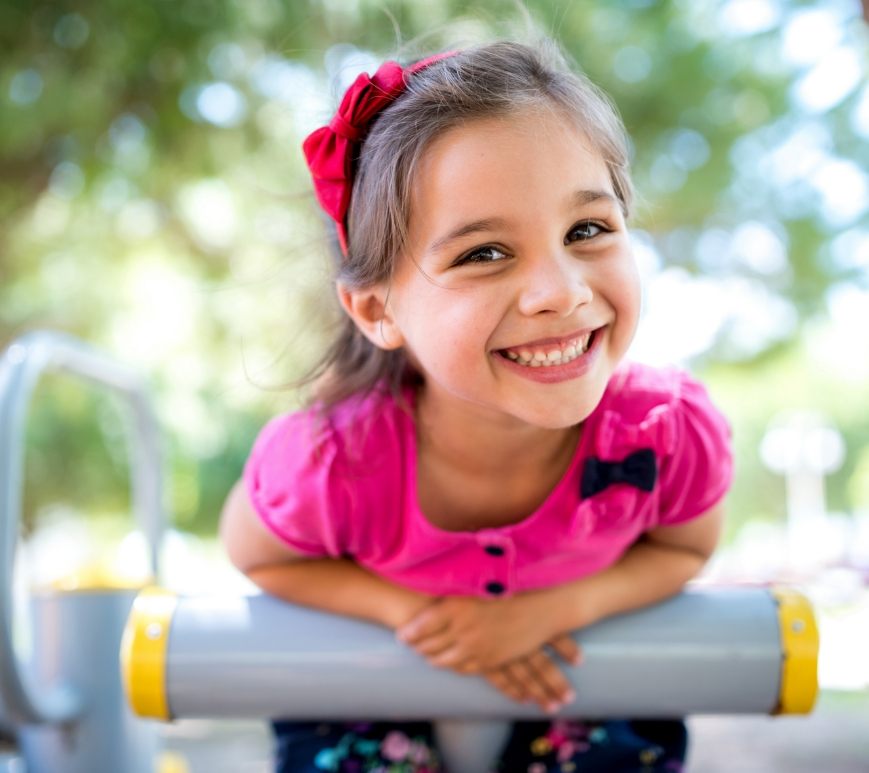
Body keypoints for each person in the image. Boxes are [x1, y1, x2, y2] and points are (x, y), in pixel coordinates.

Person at [220, 37, 733, 773]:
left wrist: (551, 611)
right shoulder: (329, 462)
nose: (558, 291)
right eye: (483, 252)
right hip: (373, 697)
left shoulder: (665, 435)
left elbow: (684, 548)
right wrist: (413, 618)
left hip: (575, 686)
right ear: (376, 308)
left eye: (585, 229)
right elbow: (258, 555)